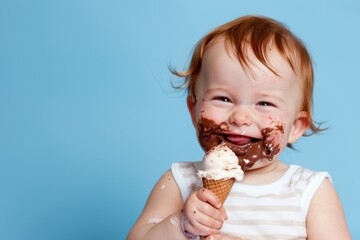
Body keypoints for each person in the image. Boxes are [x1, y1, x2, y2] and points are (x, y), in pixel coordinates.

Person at [127, 15, 351, 240]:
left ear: (296, 127)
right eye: (223, 99)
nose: (240, 118)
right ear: (193, 110)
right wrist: (180, 224)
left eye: (264, 103)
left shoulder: (310, 191)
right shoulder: (179, 181)